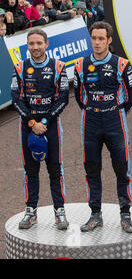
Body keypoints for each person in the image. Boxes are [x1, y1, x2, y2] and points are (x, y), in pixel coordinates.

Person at [73, 21, 132, 233]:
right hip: (90, 121)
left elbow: (131, 96)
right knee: (91, 168)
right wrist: (94, 108)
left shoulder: (122, 64)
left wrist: (115, 110)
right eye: (94, 38)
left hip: (115, 121)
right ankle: (95, 214)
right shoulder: (80, 65)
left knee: (122, 168)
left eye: (102, 38)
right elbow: (79, 96)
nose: (97, 43)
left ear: (109, 40)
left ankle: (125, 214)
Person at [10, 28, 69, 230]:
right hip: (28, 126)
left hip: (51, 126)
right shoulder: (19, 67)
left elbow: (63, 98)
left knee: (55, 170)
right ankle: (30, 211)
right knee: (30, 171)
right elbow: (16, 100)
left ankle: (59, 211)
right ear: (27, 46)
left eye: (39, 43)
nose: (35, 47)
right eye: (31, 44)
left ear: (46, 44)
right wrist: (32, 123)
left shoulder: (58, 66)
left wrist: (44, 121)